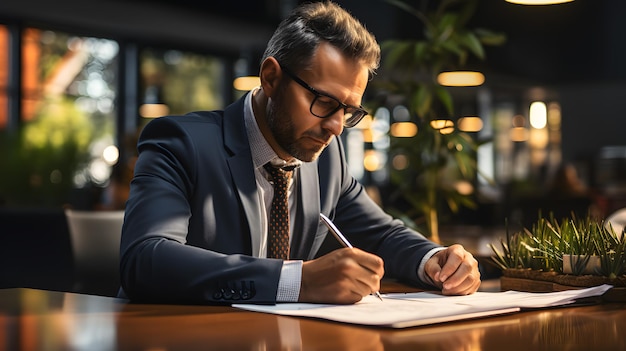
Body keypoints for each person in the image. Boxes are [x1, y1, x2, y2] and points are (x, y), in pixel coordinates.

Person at [119, 1, 480, 305]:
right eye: (324, 102)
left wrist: (436, 259)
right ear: (271, 78)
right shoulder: (181, 143)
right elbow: (145, 260)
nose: (336, 126)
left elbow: (382, 235)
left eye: (348, 110)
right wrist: (298, 281)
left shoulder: (328, 158)